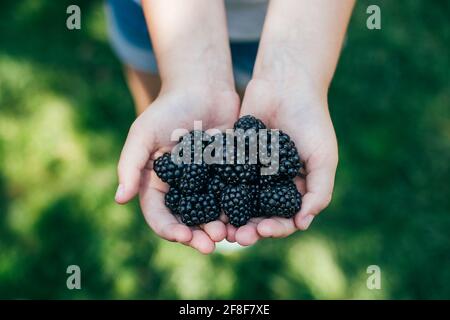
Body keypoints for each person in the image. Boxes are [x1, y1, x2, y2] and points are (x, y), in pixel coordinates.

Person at [108, 0, 355, 254]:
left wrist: (294, 77)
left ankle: (228, 227)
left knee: (245, 101)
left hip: (287, 26)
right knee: (156, 95)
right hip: (160, 16)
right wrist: (187, 81)